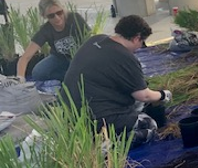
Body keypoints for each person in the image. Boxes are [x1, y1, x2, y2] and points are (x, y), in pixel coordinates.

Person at [62, 15, 173, 144]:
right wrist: (162, 95)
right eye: (142, 43)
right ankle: (105, 144)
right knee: (148, 125)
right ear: (137, 38)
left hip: (69, 112)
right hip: (95, 118)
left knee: (135, 105)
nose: (139, 48)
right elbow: (144, 96)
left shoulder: (96, 40)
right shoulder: (125, 57)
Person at [15, 0, 90, 82]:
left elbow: (90, 39)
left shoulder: (75, 18)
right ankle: (69, 77)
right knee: (38, 72)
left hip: (79, 56)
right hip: (59, 58)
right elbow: (25, 57)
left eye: (59, 13)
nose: (57, 18)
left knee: (78, 68)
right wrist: (20, 78)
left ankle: (73, 76)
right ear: (44, 16)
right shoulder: (46, 29)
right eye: (51, 16)